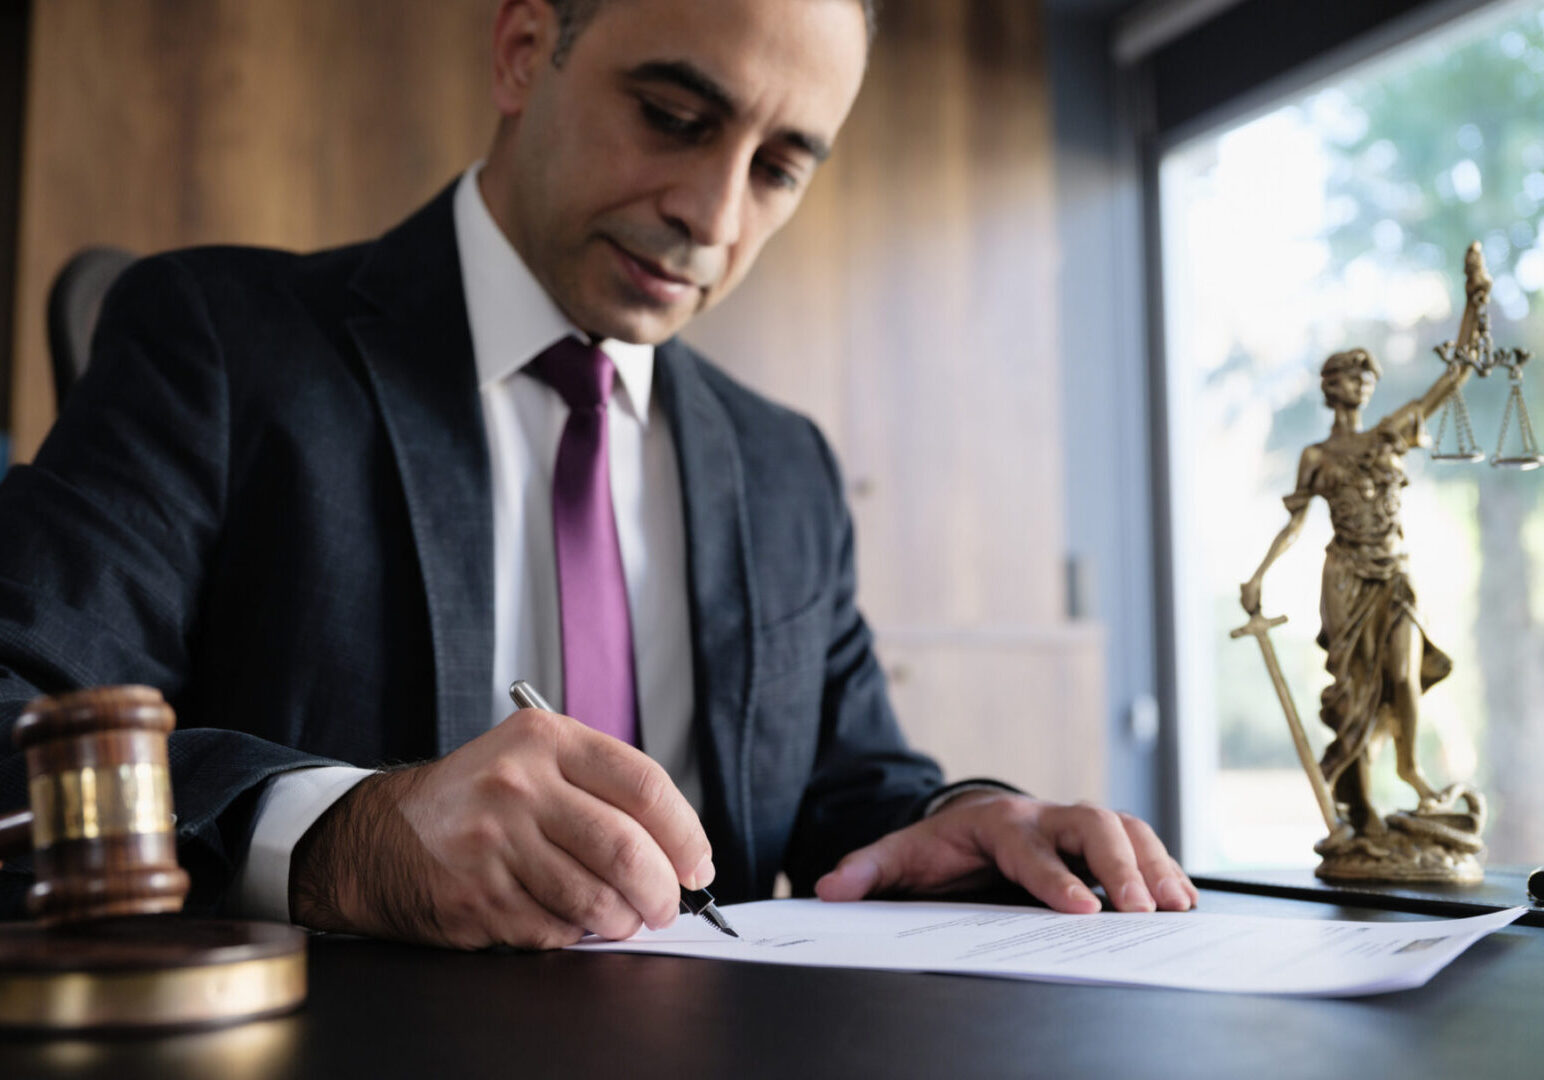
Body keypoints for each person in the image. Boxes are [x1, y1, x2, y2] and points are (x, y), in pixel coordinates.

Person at [0, 0, 1195, 947]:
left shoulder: (784, 467)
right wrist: (343, 841)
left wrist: (961, 823)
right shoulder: (214, 341)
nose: (711, 215)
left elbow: (854, 790)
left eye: (778, 166)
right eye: (675, 115)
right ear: (522, 50)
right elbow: (17, 728)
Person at [1239, 337, 1475, 844]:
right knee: (1354, 693)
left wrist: (1476, 303)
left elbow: (1452, 379)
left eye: (1367, 377)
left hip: (1394, 572)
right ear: (1330, 388)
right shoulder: (1317, 455)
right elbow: (1295, 525)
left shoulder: (1389, 435)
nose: (1363, 383)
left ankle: (1410, 770)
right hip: (1345, 577)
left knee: (1404, 675)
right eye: (1351, 375)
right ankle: (1362, 806)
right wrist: (1259, 575)